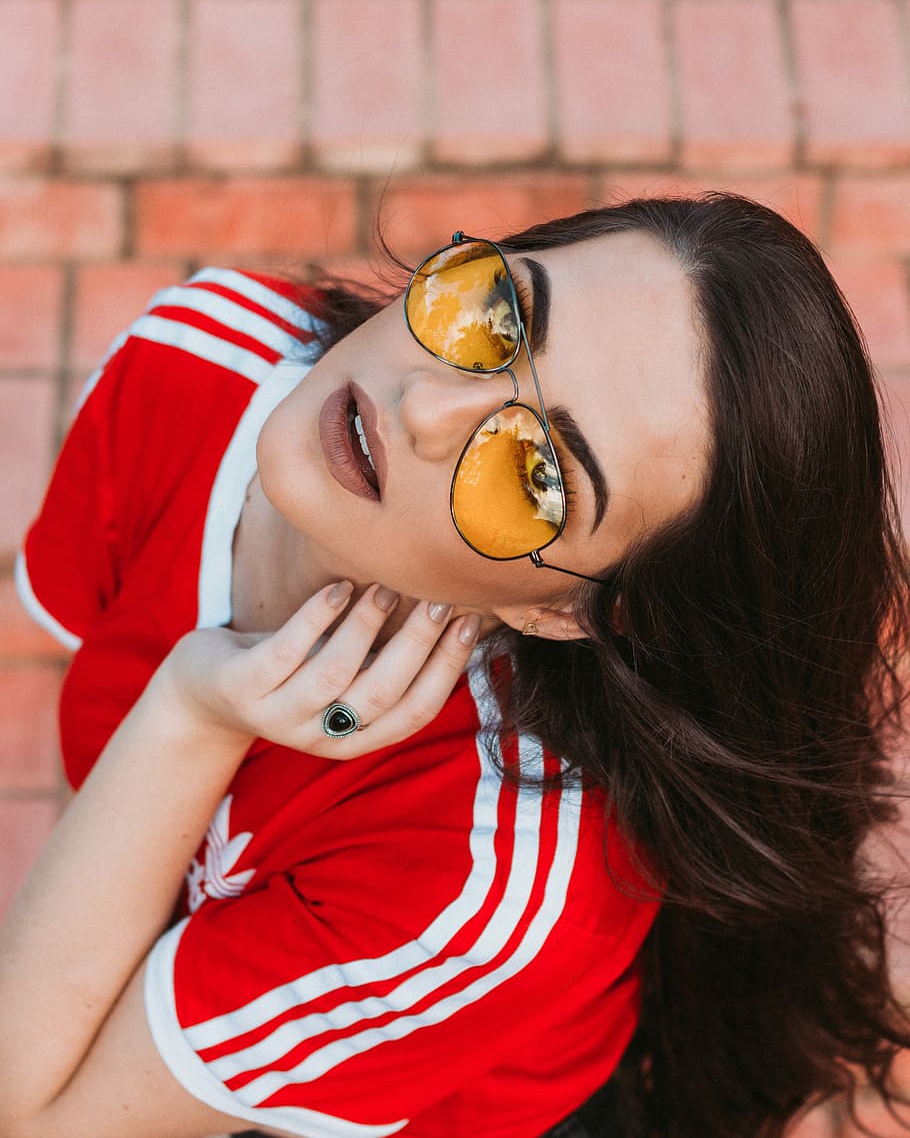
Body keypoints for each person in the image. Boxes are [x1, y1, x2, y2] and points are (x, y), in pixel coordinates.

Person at [1, 194, 909, 1138]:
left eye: (539, 475)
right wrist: (190, 714)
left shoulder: (487, 873)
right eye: (501, 314)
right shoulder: (192, 360)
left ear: (561, 608)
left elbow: (35, 1117)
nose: (424, 405)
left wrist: (193, 713)